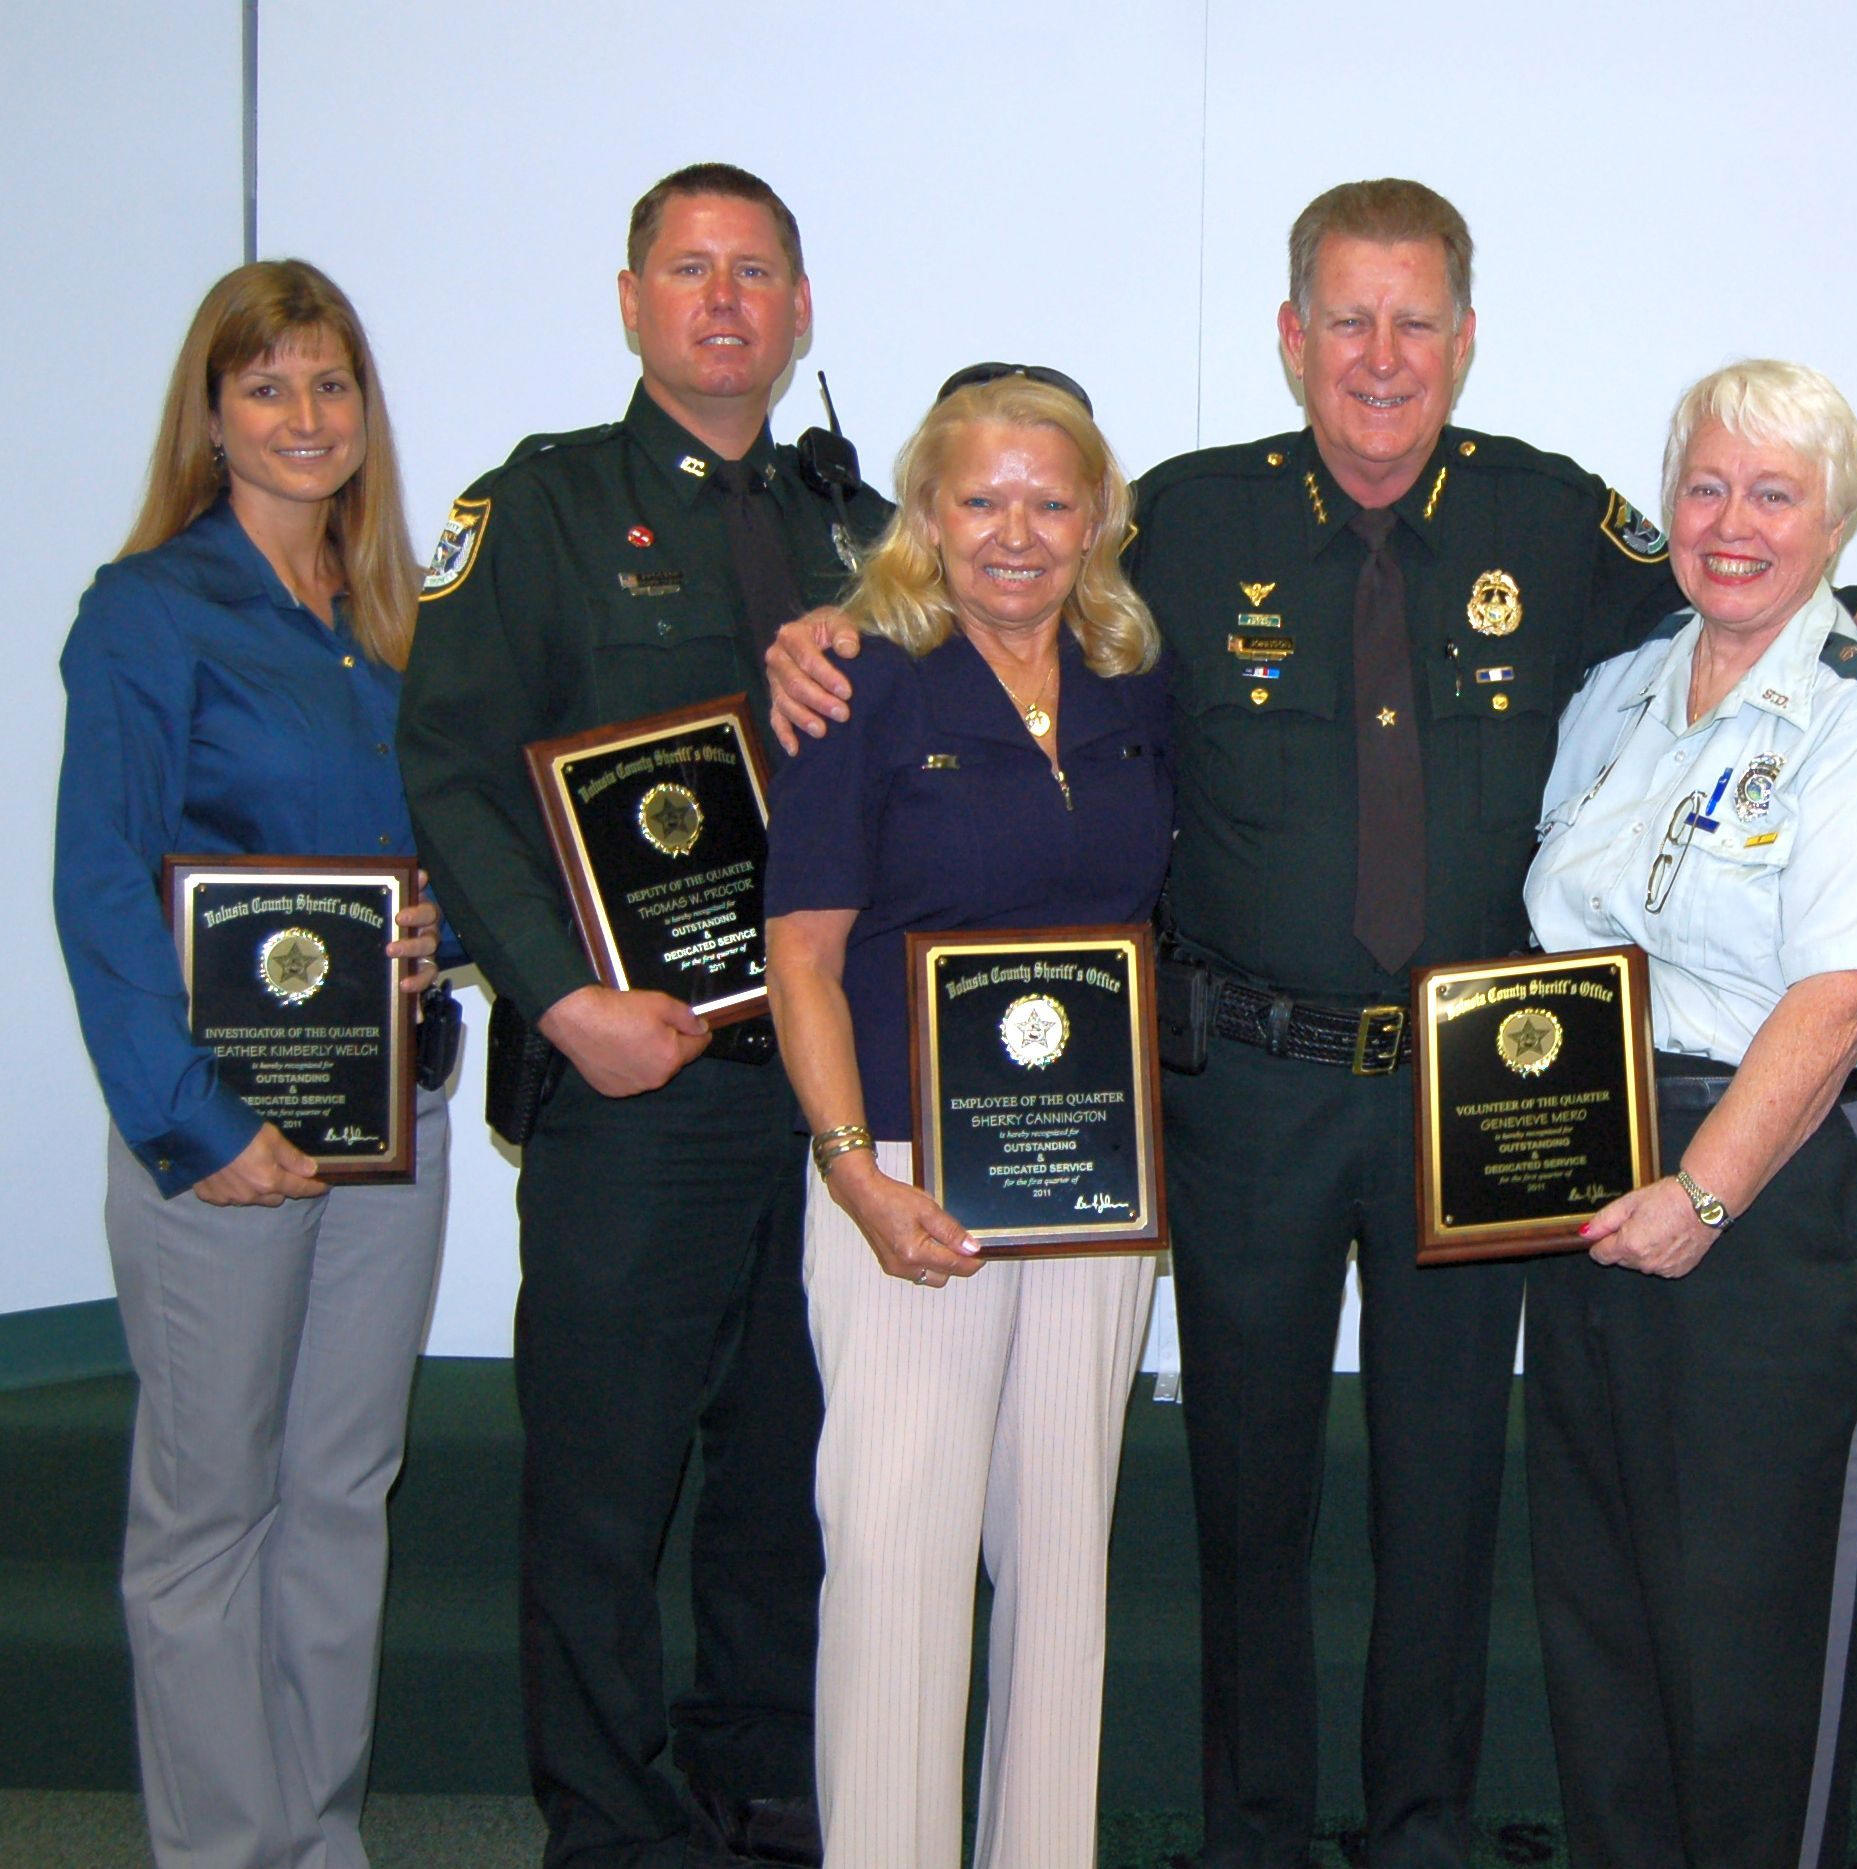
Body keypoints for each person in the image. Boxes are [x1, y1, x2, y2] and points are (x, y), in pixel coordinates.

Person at [767, 179, 1857, 1868]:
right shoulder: (1177, 523)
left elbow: (1741, 596)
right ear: (1288, 335)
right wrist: (828, 626)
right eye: (1345, 320)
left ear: (1463, 340)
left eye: (1414, 323)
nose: (1378, 358)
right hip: (1241, 1078)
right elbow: (996, 601)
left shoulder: (1559, 523)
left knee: (1446, 1478)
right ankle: (1252, 1824)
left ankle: (1421, 1822)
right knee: (1246, 1479)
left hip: (1474, 1095)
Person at [396, 164, 891, 1869]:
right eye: (689, 269)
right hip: (633, 1087)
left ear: (802, 310)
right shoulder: (535, 511)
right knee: (604, 1495)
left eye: (757, 272)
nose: (725, 300)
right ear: (630, 303)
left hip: (815, 1095)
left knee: (780, 1477)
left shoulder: (870, 532)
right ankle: (607, 1827)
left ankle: (759, 1789)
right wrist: (558, 995)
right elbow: (453, 779)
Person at [1519, 359, 1857, 1867]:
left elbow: (1848, 992)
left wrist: (1703, 1190)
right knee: (1605, 1602)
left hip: (1782, 1181)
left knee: (1749, 1616)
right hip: (1600, 1160)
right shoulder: (1615, 692)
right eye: (1705, 486)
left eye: (1772, 494)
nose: (1730, 522)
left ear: (1833, 519)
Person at [52, 259, 450, 1869]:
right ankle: (228, 1853)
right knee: (209, 1519)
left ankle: (318, 1835)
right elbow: (99, 885)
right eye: (268, 384)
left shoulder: (393, 618)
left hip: (387, 1123)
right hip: (218, 1138)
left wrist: (440, 938)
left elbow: (440, 853)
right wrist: (195, 1123)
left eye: (332, 382)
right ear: (211, 416)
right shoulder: (149, 609)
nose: (306, 414)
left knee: (343, 1493)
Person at [763, 366, 1171, 1867]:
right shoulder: (858, 678)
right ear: (923, 514)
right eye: (980, 496)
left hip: (1089, 1189)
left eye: (1048, 499)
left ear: (1095, 518)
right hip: (903, 1180)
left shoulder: (1134, 674)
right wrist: (849, 1171)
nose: (1015, 529)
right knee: (897, 1567)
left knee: (1063, 1573)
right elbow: (799, 955)